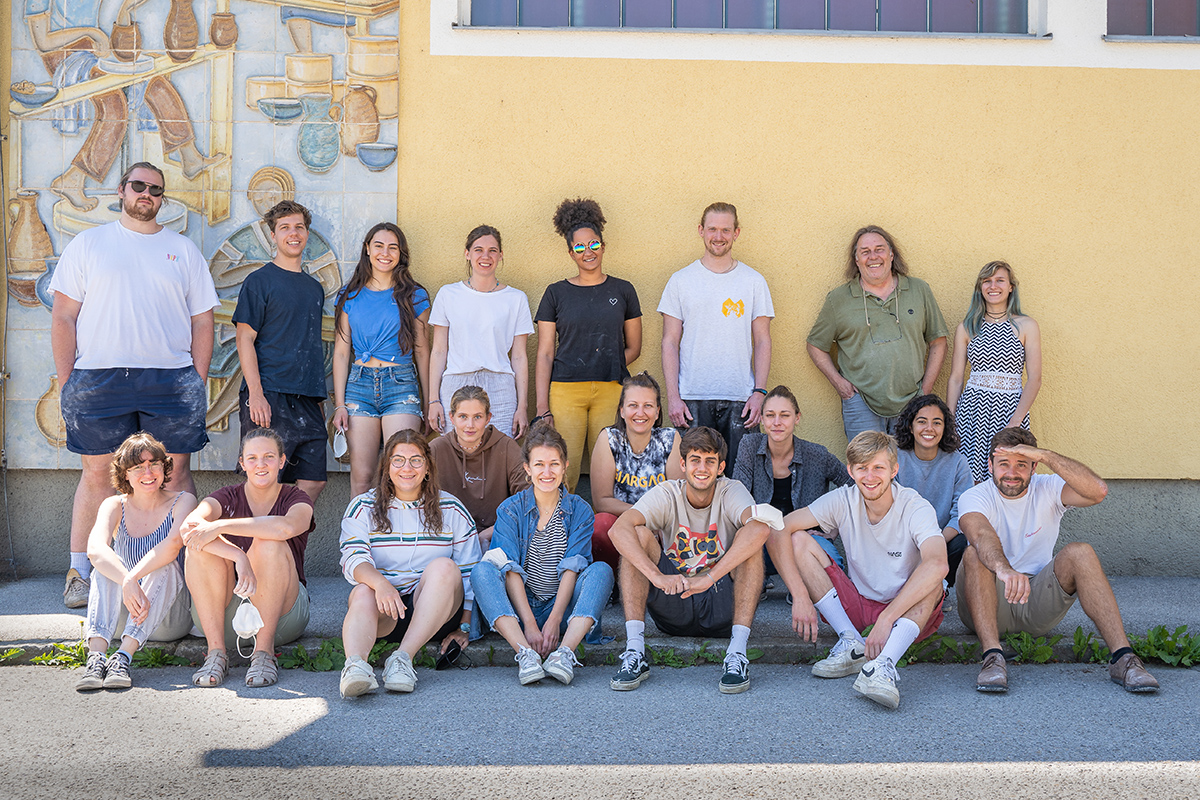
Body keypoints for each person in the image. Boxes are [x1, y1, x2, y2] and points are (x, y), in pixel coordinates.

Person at [51, 161, 219, 609]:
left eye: (155, 189)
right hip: (98, 377)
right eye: (138, 185)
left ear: (162, 198)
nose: (147, 194)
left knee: (175, 475)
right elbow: (63, 316)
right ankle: (81, 573)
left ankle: (186, 570)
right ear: (121, 190)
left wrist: (196, 379)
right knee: (98, 476)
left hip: (171, 379)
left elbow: (203, 321)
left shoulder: (182, 250)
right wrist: (68, 381)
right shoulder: (88, 244)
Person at [957, 428, 1158, 694]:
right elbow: (981, 535)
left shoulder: (1047, 487)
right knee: (973, 554)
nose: (1011, 473)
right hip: (987, 601)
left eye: (1022, 464)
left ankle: (1124, 659)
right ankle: (992, 658)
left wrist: (1046, 455)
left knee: (1081, 552)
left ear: (1034, 466)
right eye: (1004, 463)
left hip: (1035, 602)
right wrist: (1004, 570)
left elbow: (1097, 492)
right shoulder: (974, 496)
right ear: (990, 465)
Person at [772, 432, 948, 710]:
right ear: (850, 470)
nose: (870, 476)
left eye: (878, 467)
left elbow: (938, 563)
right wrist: (799, 594)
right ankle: (850, 641)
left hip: (905, 612)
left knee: (934, 580)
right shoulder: (843, 499)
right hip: (859, 605)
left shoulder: (915, 506)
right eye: (862, 468)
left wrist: (887, 619)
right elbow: (779, 529)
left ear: (894, 470)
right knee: (798, 540)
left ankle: (882, 666)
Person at [608, 426, 772, 695]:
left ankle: (737, 654)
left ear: (720, 467)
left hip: (721, 602)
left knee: (750, 538)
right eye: (695, 460)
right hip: (674, 598)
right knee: (637, 534)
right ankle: (635, 651)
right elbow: (618, 530)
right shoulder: (668, 492)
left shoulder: (731, 490)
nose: (702, 468)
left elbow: (760, 529)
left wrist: (709, 578)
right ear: (683, 464)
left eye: (710, 461)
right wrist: (656, 576)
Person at [338, 430, 482, 698]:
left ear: (427, 468)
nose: (407, 468)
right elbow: (354, 559)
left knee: (445, 567)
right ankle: (356, 667)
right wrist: (381, 584)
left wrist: (465, 627)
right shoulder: (363, 506)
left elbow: (469, 571)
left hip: (435, 613)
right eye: (398, 460)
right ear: (387, 466)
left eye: (416, 460)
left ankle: (402, 659)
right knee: (362, 590)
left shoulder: (451, 508)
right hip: (385, 611)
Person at [470, 423, 614, 685]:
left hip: (565, 611)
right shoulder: (510, 509)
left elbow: (572, 568)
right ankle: (525, 654)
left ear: (565, 465)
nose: (547, 473)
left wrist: (555, 620)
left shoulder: (579, 510)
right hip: (517, 612)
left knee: (601, 570)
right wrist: (529, 624)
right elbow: (510, 569)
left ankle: (564, 654)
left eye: (554, 464)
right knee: (482, 571)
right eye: (539, 465)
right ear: (527, 468)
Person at [181, 428, 316, 688]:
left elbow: (286, 528)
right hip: (225, 618)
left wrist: (220, 526)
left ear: (282, 461)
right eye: (252, 458)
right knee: (198, 548)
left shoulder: (296, 498)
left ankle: (264, 653)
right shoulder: (226, 496)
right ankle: (215, 653)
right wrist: (238, 555)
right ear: (242, 463)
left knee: (268, 543)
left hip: (282, 619)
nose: (260, 464)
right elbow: (188, 528)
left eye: (269, 457)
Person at [75, 433, 199, 692]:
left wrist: (131, 578)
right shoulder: (113, 504)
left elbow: (172, 545)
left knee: (166, 566)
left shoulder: (183, 500)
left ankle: (122, 658)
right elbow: (95, 549)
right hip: (121, 616)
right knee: (105, 565)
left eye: (154, 464)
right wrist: (127, 581)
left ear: (164, 468)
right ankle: (96, 658)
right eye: (138, 467)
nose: (148, 472)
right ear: (125, 474)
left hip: (169, 618)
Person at [534, 198, 642, 490]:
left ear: (603, 246)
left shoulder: (623, 290)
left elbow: (634, 347)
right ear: (571, 253)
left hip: (611, 389)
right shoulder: (555, 293)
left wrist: (606, 364)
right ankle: (560, 518)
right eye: (580, 247)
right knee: (561, 467)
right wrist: (542, 407)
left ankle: (604, 519)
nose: (588, 252)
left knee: (608, 466)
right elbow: (544, 354)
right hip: (565, 391)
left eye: (593, 244)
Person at [659, 203, 773, 476]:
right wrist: (673, 397)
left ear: (736, 233)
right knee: (694, 478)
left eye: (725, 230)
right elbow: (669, 342)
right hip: (691, 399)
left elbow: (763, 340)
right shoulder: (680, 281)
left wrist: (759, 393)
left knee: (740, 479)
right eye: (712, 229)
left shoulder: (753, 281)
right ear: (701, 230)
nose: (718, 236)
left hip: (741, 399)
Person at [807, 225, 948, 444]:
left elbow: (938, 341)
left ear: (891, 254)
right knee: (867, 463)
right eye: (865, 251)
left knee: (907, 463)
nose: (873, 256)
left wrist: (925, 391)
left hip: (912, 401)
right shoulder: (839, 299)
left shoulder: (919, 290)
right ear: (856, 260)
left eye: (879, 249)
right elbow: (815, 345)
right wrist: (840, 385)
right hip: (860, 403)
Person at [233, 200, 328, 502]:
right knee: (265, 481)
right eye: (285, 227)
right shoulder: (259, 282)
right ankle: (264, 532)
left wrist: (319, 400)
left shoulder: (314, 288)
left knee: (314, 481)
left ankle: (285, 530)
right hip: (270, 394)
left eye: (299, 227)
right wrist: (256, 394)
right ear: (273, 236)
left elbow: (309, 346)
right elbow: (244, 338)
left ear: (307, 233)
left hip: (307, 399)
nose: (293, 233)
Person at [332, 222, 431, 496]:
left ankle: (397, 526)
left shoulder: (414, 296)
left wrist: (429, 400)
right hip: (359, 387)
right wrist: (339, 405)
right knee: (362, 477)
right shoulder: (349, 295)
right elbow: (341, 352)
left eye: (392, 247)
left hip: (401, 385)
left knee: (399, 475)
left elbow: (423, 351)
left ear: (401, 253)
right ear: (367, 249)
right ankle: (357, 527)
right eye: (378, 246)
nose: (385, 253)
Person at [428, 225, 534, 439]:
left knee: (500, 451)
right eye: (478, 250)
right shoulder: (448, 294)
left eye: (492, 250)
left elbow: (519, 356)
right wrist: (433, 400)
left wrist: (522, 406)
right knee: (457, 451)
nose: (486, 256)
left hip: (501, 387)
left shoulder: (516, 299)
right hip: (456, 382)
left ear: (500, 255)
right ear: (467, 254)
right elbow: (439, 351)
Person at [735, 385, 850, 576]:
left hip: (804, 539)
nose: (777, 422)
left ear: (797, 418)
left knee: (832, 568)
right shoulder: (750, 446)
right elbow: (738, 496)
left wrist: (834, 528)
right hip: (762, 539)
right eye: (770, 415)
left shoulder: (817, 455)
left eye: (785, 415)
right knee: (736, 564)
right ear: (761, 419)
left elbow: (852, 486)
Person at [947, 261, 1042, 484]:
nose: (993, 286)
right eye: (987, 281)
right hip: (972, 411)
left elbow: (1035, 379)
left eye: (1000, 280)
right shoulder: (967, 327)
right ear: (980, 287)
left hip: (1010, 411)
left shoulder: (1026, 326)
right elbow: (956, 378)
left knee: (1008, 474)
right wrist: (950, 420)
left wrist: (1016, 421)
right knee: (971, 478)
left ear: (1010, 287)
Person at [589, 373, 682, 573]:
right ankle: (613, 580)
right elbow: (602, 501)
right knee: (600, 524)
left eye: (648, 405)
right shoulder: (610, 439)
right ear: (622, 410)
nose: (640, 413)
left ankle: (662, 578)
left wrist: (653, 523)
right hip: (622, 525)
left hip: (659, 528)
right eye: (633, 405)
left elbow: (678, 498)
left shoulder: (670, 439)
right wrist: (641, 517)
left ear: (657, 412)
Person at [429, 385, 529, 553]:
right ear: (452, 418)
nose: (470, 425)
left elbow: (527, 499)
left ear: (488, 418)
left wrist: (488, 534)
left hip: (497, 536)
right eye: (463, 416)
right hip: (447, 538)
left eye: (477, 417)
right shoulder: (437, 449)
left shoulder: (506, 447)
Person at [894, 394, 972, 587]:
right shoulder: (895, 459)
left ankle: (944, 589)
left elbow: (962, 512)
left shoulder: (958, 463)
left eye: (937, 423)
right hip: (903, 540)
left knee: (961, 543)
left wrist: (934, 543)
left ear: (944, 428)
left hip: (942, 539)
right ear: (910, 426)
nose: (929, 428)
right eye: (922, 421)